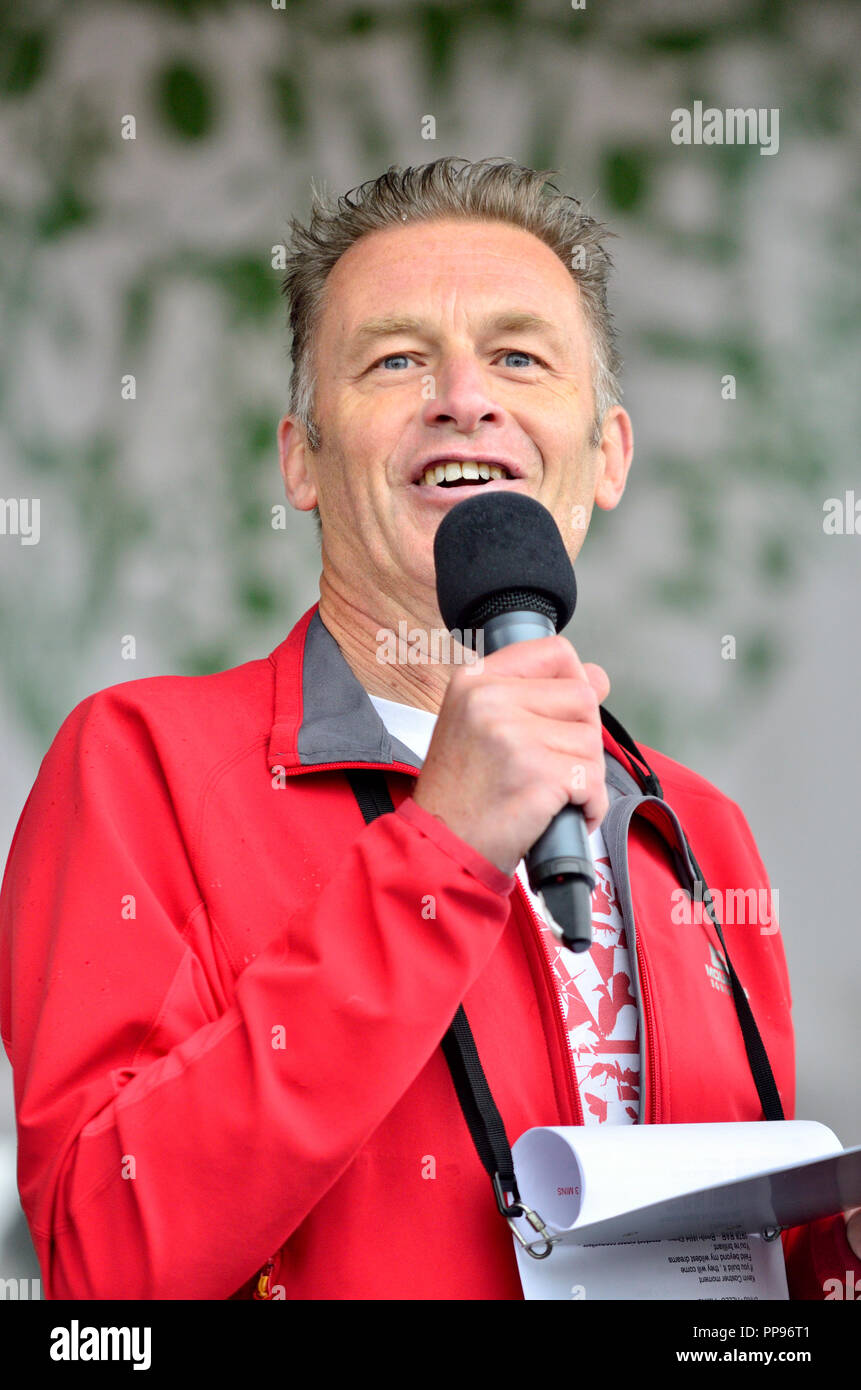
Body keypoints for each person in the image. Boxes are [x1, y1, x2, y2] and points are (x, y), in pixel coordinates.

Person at [1, 157, 858, 1301]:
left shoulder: (695, 829)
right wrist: (439, 849)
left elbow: (740, 1269)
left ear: (606, 454)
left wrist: (835, 1263)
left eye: (519, 356)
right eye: (397, 359)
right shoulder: (138, 764)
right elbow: (104, 1269)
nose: (465, 396)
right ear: (301, 458)